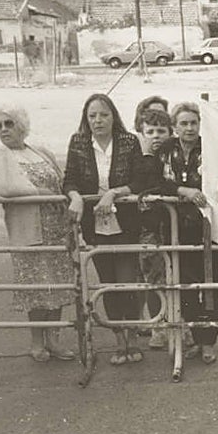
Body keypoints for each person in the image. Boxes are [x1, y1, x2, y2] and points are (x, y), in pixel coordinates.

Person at [130, 101, 218, 364]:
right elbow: (151, 182)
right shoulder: (166, 150)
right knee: (184, 287)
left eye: (194, 122)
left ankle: (209, 342)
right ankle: (196, 337)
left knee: (212, 286)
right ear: (175, 126)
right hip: (176, 231)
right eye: (183, 123)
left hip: (212, 230)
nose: (189, 128)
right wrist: (183, 191)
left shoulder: (213, 150)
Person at [0, 105, 76, 362]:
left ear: (21, 126)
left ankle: (54, 340)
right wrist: (42, 194)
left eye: (8, 124)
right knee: (36, 288)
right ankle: (37, 342)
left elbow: (61, 180)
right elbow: (6, 188)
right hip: (27, 232)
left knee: (58, 285)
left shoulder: (41, 152)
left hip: (57, 229)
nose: (3, 130)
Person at [62, 93, 144, 366]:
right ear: (86, 119)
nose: (98, 120)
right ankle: (119, 342)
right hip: (95, 226)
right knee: (108, 285)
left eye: (104, 114)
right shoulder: (78, 142)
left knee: (126, 282)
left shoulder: (129, 141)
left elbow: (139, 180)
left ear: (114, 116)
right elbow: (69, 179)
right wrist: (75, 196)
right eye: (92, 116)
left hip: (126, 224)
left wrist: (114, 193)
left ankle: (133, 338)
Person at [133, 107, 182, 351]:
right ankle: (157, 326)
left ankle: (177, 323)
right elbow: (145, 183)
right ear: (141, 133)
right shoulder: (140, 157)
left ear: (170, 132)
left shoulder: (173, 155)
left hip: (175, 225)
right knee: (152, 277)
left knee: (176, 276)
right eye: (149, 131)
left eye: (161, 131)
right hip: (149, 227)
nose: (155, 136)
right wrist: (147, 156)